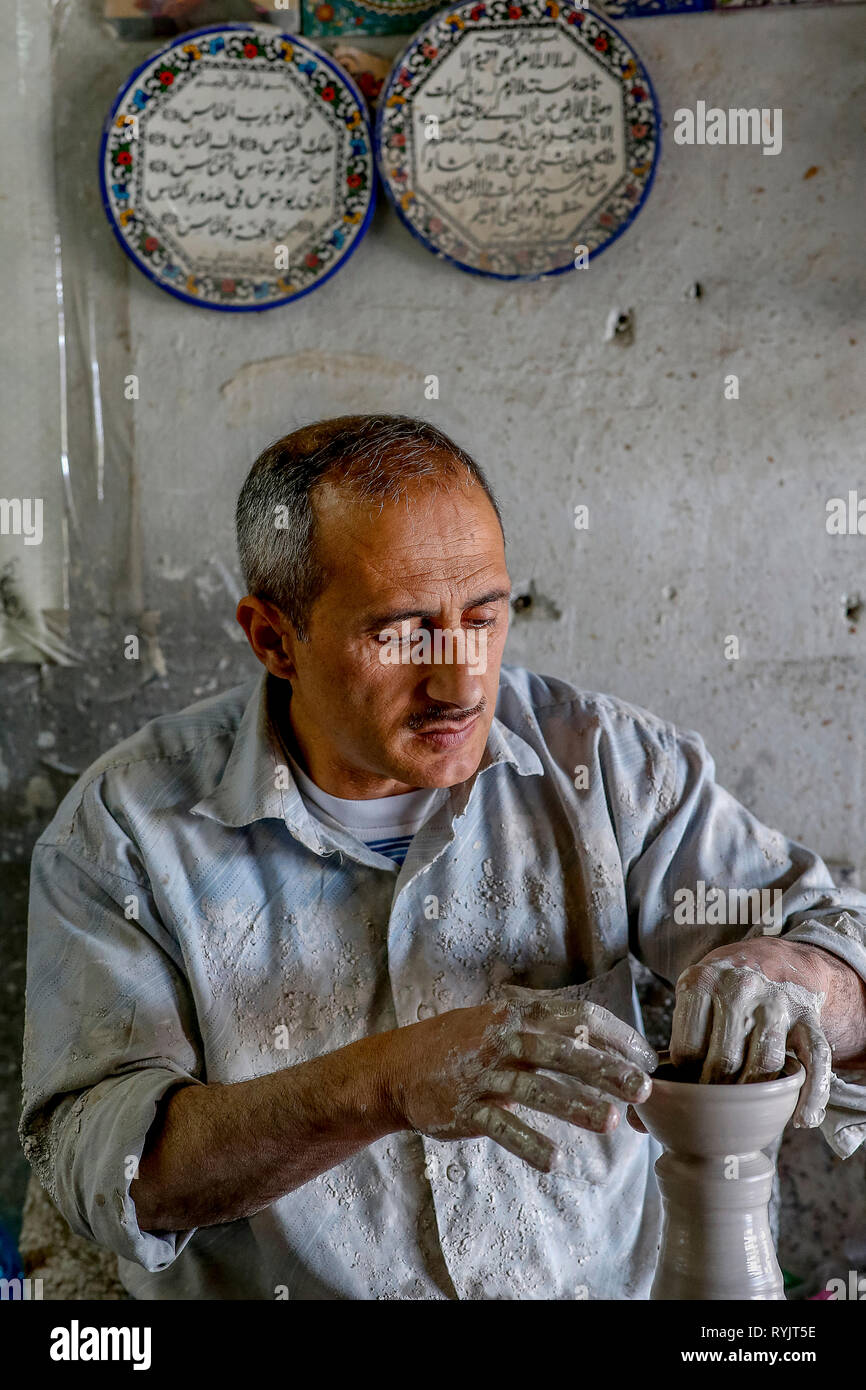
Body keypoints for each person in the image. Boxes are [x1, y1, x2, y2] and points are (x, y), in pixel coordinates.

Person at [20, 414, 866, 1300]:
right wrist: (376, 1086)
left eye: (486, 615)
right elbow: (108, 1170)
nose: (462, 682)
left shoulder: (606, 765)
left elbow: (843, 954)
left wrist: (801, 972)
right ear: (274, 638)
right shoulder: (124, 831)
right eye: (401, 632)